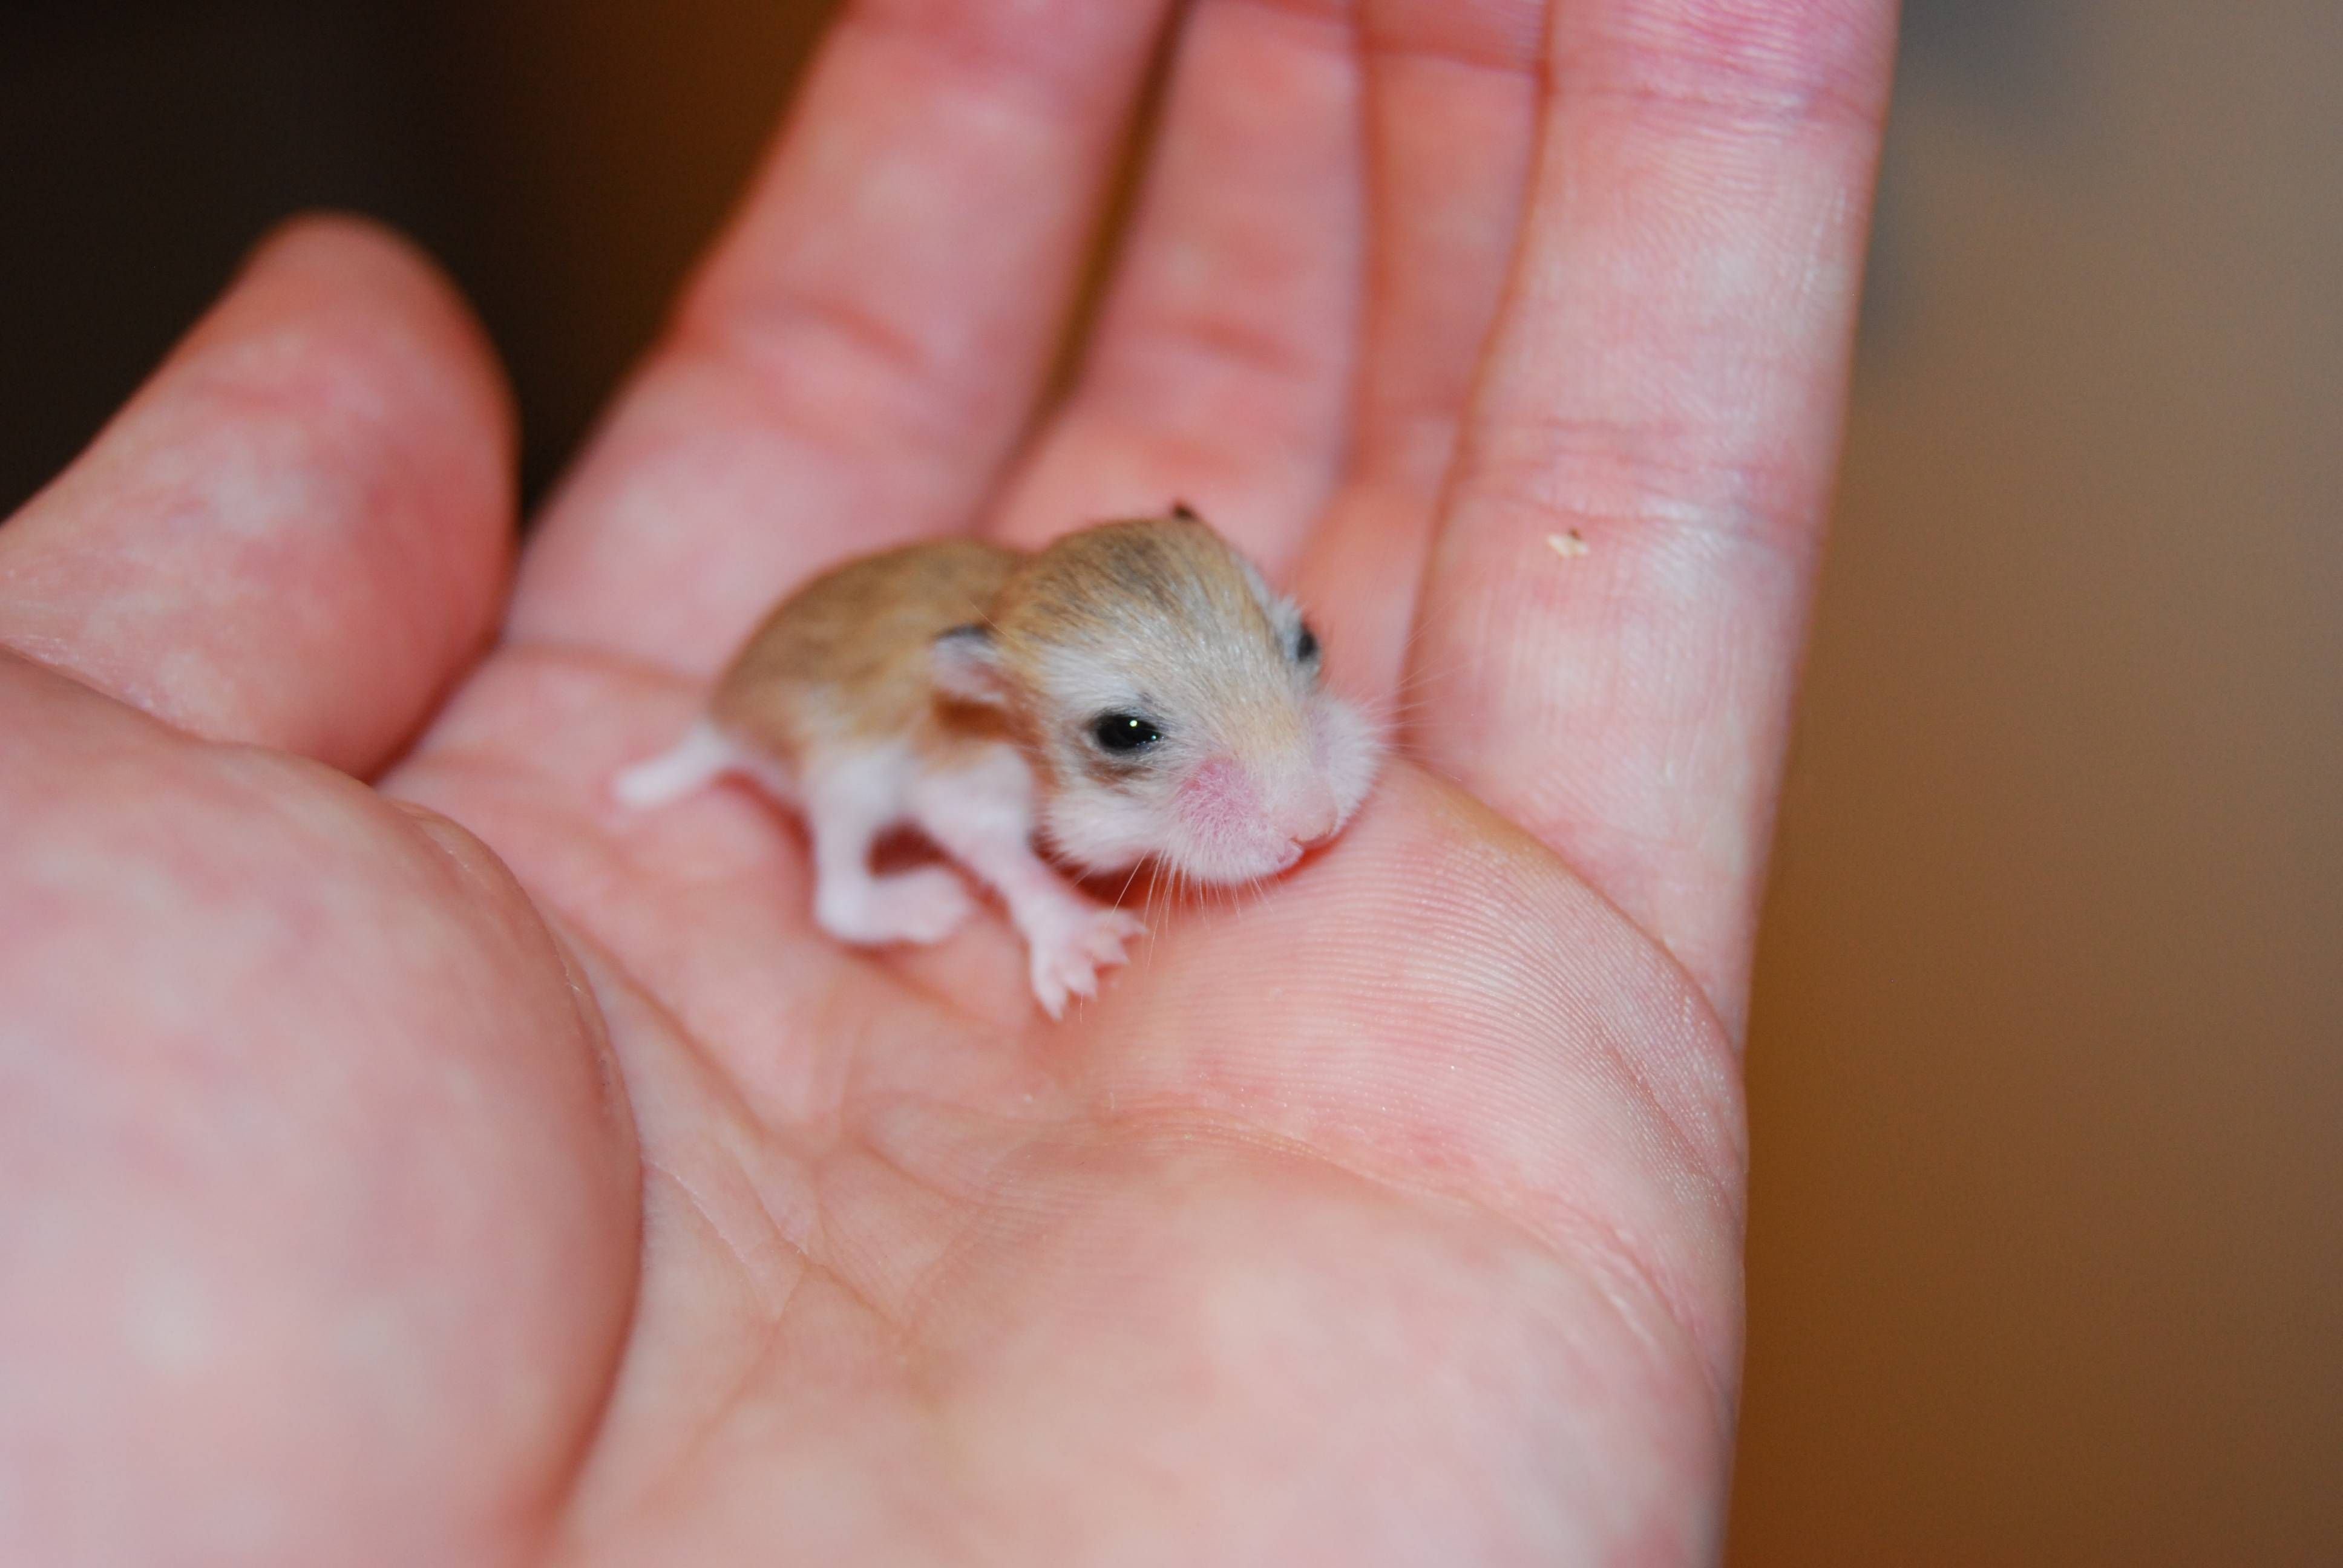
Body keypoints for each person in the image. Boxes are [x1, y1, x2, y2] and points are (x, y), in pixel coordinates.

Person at [0, 0, 1896, 1558]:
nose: (1301, 785)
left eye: (1297, 657)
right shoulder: (973, 753)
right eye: (1136, 742)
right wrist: (1046, 912)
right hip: (805, 709)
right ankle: (832, 869)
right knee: (840, 782)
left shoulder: (1149, 686)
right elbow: (999, 832)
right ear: (1000, 708)